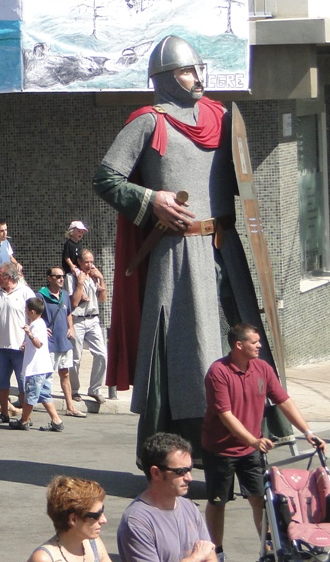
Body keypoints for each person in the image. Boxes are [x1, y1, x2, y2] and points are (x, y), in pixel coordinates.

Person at [93, 35, 283, 459]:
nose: (196, 78)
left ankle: (255, 435)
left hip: (226, 248)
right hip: (178, 255)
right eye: (185, 70)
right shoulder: (149, 121)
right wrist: (152, 200)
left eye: (198, 69)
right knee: (187, 355)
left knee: (244, 343)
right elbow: (106, 179)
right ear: (164, 77)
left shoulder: (221, 116)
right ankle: (185, 450)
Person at [202, 324, 323, 559]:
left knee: (261, 499)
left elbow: (284, 401)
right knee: (218, 502)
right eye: (254, 342)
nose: (259, 345)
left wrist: (308, 432)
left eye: (259, 341)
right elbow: (225, 414)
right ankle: (217, 551)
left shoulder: (262, 368)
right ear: (239, 345)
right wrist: (253, 440)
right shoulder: (218, 372)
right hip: (220, 450)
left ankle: (268, 549)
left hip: (250, 451)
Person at [118, 433, 216, 562]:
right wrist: (195, 557)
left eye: (189, 469)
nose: (189, 478)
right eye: (180, 471)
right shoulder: (137, 522)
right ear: (156, 473)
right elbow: (202, 554)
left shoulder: (189, 508)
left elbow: (209, 554)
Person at [0, 261, 34, 423]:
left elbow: (35, 317)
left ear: (10, 277)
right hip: (0, 347)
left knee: (23, 383)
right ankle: (4, 412)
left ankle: (25, 417)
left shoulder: (26, 292)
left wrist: (29, 339)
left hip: (20, 348)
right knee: (1, 382)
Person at [28, 476, 113, 562]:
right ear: (74, 519)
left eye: (103, 510)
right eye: (96, 515)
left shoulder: (95, 544)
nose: (104, 520)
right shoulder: (44, 559)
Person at [38, 268, 85, 418]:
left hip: (64, 341)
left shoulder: (64, 295)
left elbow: (68, 313)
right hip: (50, 343)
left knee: (65, 374)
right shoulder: (41, 295)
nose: (60, 279)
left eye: (62, 276)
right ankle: (47, 407)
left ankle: (70, 407)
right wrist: (42, 328)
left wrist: (71, 327)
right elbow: (32, 314)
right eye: (57, 276)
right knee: (47, 375)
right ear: (49, 278)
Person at [12, 297, 64, 432]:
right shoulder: (40, 324)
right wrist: (26, 344)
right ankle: (56, 420)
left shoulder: (36, 325)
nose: (25, 311)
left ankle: (24, 420)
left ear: (32, 312)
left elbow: (38, 344)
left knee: (31, 395)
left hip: (36, 369)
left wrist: (29, 334)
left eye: (27, 309)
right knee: (44, 395)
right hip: (44, 366)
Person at [70, 250, 108, 405]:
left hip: (93, 319)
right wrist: (80, 283)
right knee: (75, 358)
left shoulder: (94, 277)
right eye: (86, 261)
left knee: (102, 354)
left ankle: (95, 388)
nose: (90, 265)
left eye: (91, 261)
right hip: (78, 319)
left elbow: (103, 299)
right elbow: (74, 302)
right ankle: (74, 390)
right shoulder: (72, 277)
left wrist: (101, 279)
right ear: (79, 262)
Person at [61, 220, 89, 298]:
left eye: (82, 232)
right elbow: (66, 256)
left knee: (91, 269)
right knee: (78, 276)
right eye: (79, 231)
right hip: (71, 269)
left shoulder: (79, 244)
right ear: (72, 232)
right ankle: (82, 293)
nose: (81, 233)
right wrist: (71, 265)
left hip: (78, 267)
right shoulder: (68, 244)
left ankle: (96, 285)